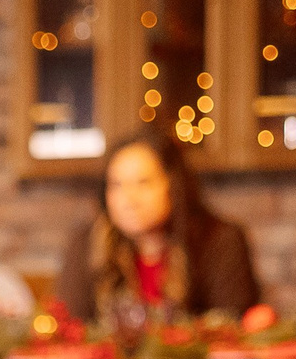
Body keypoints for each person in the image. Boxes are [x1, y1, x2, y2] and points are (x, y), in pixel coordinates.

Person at [57, 130, 261, 325]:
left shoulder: (220, 240)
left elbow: (230, 330)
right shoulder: (88, 244)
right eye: (117, 185)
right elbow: (71, 330)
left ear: (174, 185)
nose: (129, 199)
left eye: (143, 183)